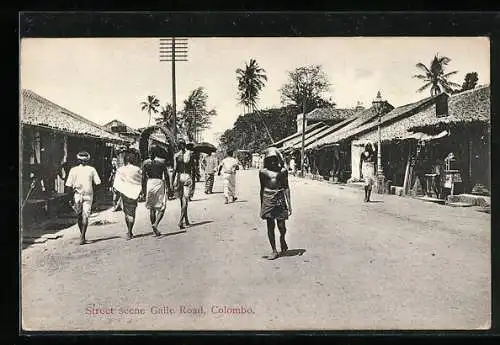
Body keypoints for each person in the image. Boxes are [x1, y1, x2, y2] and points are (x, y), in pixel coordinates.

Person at [259, 147, 292, 260]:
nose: (272, 162)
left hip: (280, 198)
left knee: (281, 225)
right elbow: (262, 188)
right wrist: (262, 205)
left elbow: (286, 187)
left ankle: (282, 238)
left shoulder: (283, 171)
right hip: (268, 199)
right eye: (269, 159)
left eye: (274, 159)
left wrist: (289, 205)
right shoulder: (263, 172)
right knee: (270, 225)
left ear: (278, 159)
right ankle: (274, 250)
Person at [65, 151, 101, 245]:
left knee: (79, 216)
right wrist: (96, 197)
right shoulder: (92, 169)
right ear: (88, 160)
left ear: (78, 160)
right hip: (89, 195)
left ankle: (82, 236)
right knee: (85, 215)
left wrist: (69, 199)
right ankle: (82, 237)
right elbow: (98, 184)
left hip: (77, 195)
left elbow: (68, 186)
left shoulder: (73, 170)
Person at [142, 145, 171, 237]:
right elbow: (166, 176)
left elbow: (143, 178)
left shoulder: (145, 163)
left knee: (152, 208)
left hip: (149, 183)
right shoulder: (162, 162)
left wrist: (143, 191)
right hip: (158, 183)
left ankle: (154, 230)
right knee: (162, 207)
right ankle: (156, 224)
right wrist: (169, 188)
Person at [113, 151, 143, 240]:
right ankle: (130, 231)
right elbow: (140, 180)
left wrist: (117, 192)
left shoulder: (120, 170)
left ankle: (129, 231)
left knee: (126, 212)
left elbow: (117, 183)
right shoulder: (137, 169)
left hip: (124, 192)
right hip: (134, 192)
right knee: (132, 212)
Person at [172, 138, 195, 229]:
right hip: (187, 176)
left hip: (179, 177)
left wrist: (171, 182)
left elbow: (174, 170)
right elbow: (193, 169)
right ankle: (181, 221)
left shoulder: (176, 155)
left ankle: (186, 220)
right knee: (185, 200)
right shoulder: (191, 154)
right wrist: (193, 182)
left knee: (182, 200)